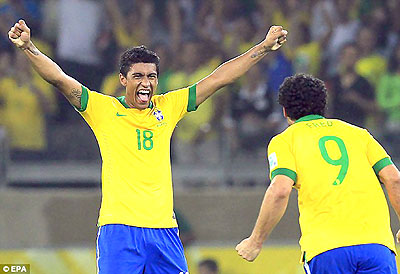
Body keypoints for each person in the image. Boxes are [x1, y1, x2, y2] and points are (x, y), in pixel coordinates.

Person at [8, 19, 287, 273]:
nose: (146, 83)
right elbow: (59, 79)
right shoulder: (102, 109)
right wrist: (29, 47)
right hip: (119, 229)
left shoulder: (170, 105)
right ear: (123, 80)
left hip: (163, 230)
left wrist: (263, 47)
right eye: (138, 76)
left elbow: (218, 78)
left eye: (151, 76)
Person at [236, 73, 400, 274]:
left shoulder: (285, 141)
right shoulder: (359, 134)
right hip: (377, 246)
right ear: (323, 105)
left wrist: (255, 241)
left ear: (285, 111)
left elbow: (279, 190)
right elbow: (394, 179)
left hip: (326, 249)